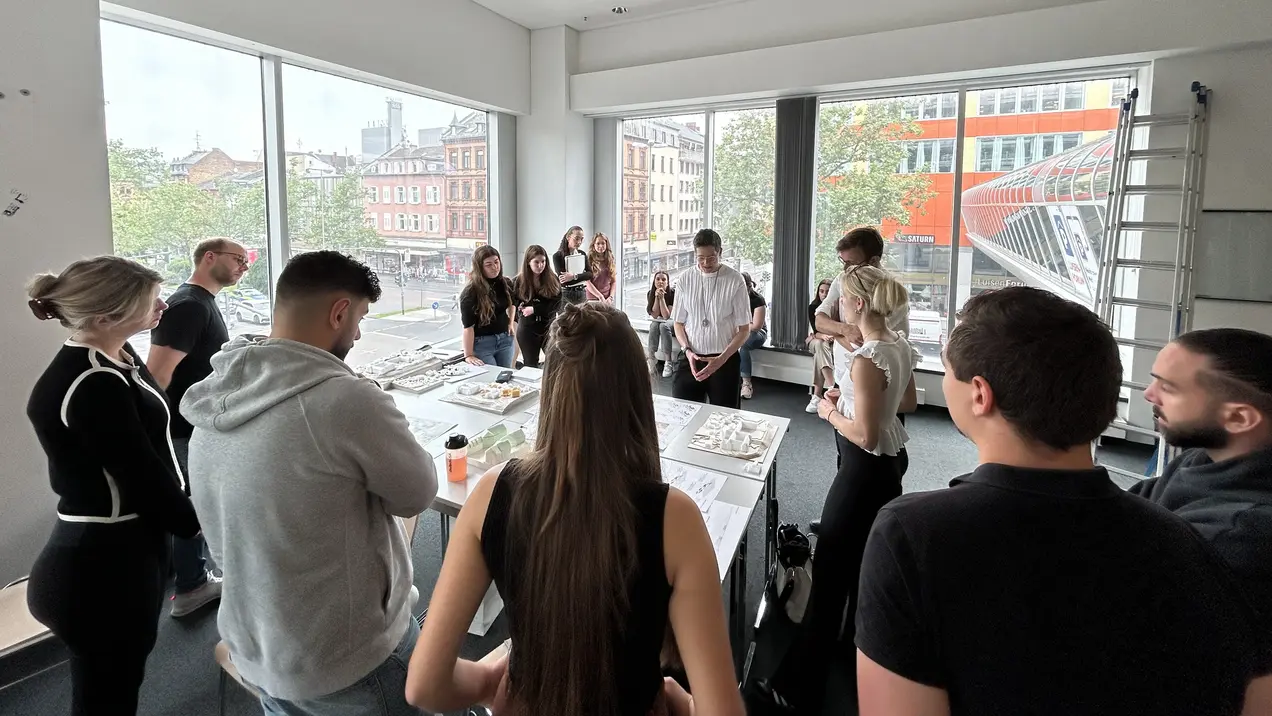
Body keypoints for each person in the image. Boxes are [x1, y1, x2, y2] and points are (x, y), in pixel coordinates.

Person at [854, 287, 1272, 716]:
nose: (1152, 393)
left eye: (947, 370)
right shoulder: (1190, 541)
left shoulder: (911, 535)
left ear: (980, 394)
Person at [405, 302, 744, 716]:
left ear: (551, 387)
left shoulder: (492, 493)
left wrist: (491, 680)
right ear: (637, 391)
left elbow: (425, 686)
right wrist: (682, 701)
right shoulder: (676, 519)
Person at [180, 251, 438, 714]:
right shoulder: (345, 400)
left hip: (260, 650)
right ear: (339, 312)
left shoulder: (215, 397)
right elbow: (417, 494)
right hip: (351, 661)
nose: (357, 335)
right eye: (359, 319)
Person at [25, 257, 201, 715]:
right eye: (150, 300)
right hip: (101, 565)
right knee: (107, 698)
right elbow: (142, 476)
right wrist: (203, 523)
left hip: (126, 549)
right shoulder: (92, 380)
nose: (164, 305)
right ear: (105, 317)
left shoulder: (116, 355)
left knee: (118, 685)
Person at [792, 265, 916, 712]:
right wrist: (846, 399)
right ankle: (852, 654)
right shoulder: (899, 345)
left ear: (858, 304)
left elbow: (864, 435)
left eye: (842, 299)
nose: (838, 307)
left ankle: (801, 688)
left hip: (862, 470)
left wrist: (829, 413)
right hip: (889, 468)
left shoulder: (865, 358)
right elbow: (906, 401)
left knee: (829, 574)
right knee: (864, 565)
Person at [1133, 328, 1272, 636]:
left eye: (1168, 388)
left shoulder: (1239, 534)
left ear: (1238, 418)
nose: (1149, 394)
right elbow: (1127, 510)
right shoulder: (1203, 458)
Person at [144, 237, 247, 618]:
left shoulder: (202, 302)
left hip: (197, 424)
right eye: (238, 259)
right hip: (185, 429)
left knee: (198, 501)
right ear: (209, 257)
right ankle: (191, 587)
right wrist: (156, 434)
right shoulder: (188, 305)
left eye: (246, 261)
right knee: (196, 503)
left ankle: (192, 577)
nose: (244, 267)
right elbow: (158, 374)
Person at [671, 229, 752, 409]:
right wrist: (687, 351)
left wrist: (721, 359)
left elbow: (744, 330)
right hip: (691, 357)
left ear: (720, 252)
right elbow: (678, 323)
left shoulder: (735, 280)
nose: (706, 263)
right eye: (700, 258)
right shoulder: (685, 279)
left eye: (711, 257)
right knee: (684, 412)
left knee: (725, 416)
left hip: (725, 360)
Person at [814, 226, 911, 350]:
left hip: (872, 361)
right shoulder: (842, 278)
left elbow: (858, 345)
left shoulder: (891, 291)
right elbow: (819, 322)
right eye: (843, 262)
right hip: (845, 363)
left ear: (874, 261)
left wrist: (834, 328)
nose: (845, 269)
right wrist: (844, 329)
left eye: (851, 263)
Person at [461, 245, 516, 368]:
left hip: (505, 340)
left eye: (496, 262)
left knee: (505, 375)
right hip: (482, 343)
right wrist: (468, 355)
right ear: (480, 267)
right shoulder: (470, 292)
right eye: (488, 264)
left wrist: (510, 324)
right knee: (491, 377)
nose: (494, 267)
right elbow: (468, 326)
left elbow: (513, 304)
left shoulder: (506, 283)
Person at [513, 244, 563, 369]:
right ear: (528, 262)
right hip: (527, 328)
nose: (540, 265)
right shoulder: (518, 281)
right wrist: (520, 310)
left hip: (548, 326)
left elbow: (556, 304)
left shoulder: (553, 279)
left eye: (543, 261)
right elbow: (514, 304)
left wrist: (535, 309)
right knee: (530, 364)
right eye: (536, 262)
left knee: (556, 361)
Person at [805, 278, 836, 413]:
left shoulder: (837, 307)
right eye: (821, 291)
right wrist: (822, 336)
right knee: (819, 344)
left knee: (820, 351)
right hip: (817, 339)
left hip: (833, 341)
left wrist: (829, 336)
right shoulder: (813, 307)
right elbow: (816, 331)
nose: (824, 294)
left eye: (827, 292)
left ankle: (816, 396)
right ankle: (832, 387)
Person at [738, 272, 769, 400]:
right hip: (739, 330)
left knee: (743, 344)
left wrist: (738, 325)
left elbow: (756, 326)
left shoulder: (757, 299)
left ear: (748, 285)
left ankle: (746, 383)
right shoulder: (732, 297)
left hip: (758, 333)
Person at [646, 270, 681, 378]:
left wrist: (662, 299)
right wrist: (657, 298)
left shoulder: (673, 293)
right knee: (654, 325)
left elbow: (666, 316)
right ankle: (651, 358)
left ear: (667, 282)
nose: (660, 281)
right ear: (654, 281)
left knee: (663, 325)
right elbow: (655, 315)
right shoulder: (650, 293)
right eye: (658, 279)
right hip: (660, 320)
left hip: (673, 321)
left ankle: (668, 361)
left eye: (663, 279)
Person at [553, 225, 592, 305]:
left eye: (581, 239)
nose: (579, 242)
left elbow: (590, 274)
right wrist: (582, 276)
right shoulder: (557, 256)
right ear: (568, 237)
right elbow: (564, 281)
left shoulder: (582, 254)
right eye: (576, 238)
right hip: (566, 293)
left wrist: (574, 276)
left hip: (581, 292)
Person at [585, 232, 616, 303]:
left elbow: (613, 281)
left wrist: (611, 297)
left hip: (607, 299)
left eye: (603, 243)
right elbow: (587, 282)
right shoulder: (588, 260)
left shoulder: (610, 259)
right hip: (593, 299)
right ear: (593, 245)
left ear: (606, 244)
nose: (601, 246)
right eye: (598, 243)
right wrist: (600, 297)